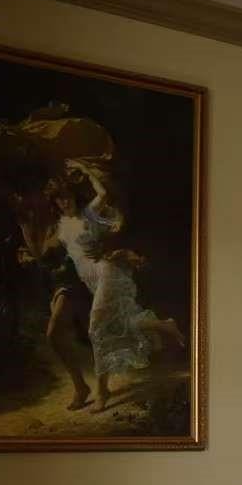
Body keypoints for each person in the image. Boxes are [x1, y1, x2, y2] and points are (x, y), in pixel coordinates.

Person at [51, 158, 184, 412]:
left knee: (96, 329)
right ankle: (163, 324)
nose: (64, 202)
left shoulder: (88, 213)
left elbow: (102, 192)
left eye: (67, 197)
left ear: (74, 198)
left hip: (106, 273)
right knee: (120, 322)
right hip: (89, 279)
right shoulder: (60, 228)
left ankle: (102, 392)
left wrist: (83, 168)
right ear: (56, 203)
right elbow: (72, 257)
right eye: (60, 199)